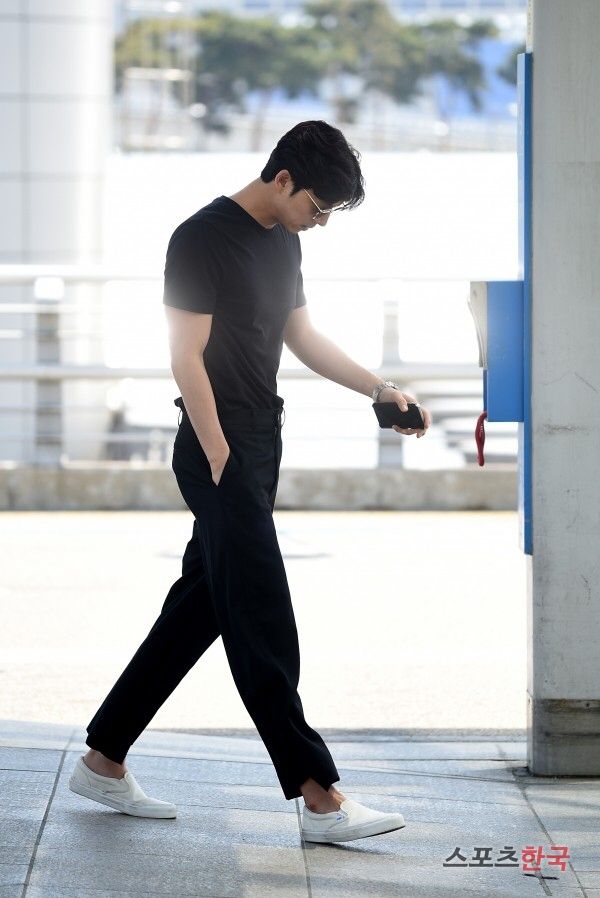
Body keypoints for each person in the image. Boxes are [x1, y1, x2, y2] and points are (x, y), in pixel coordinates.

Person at [68, 120, 431, 844]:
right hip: (217, 445)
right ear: (284, 179)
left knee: (200, 608)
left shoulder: (284, 240)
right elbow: (185, 355)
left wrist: (379, 390)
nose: (320, 224)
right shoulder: (199, 238)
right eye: (318, 208)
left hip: (260, 440)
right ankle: (318, 795)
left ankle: (103, 759)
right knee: (261, 611)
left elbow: (301, 336)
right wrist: (218, 455)